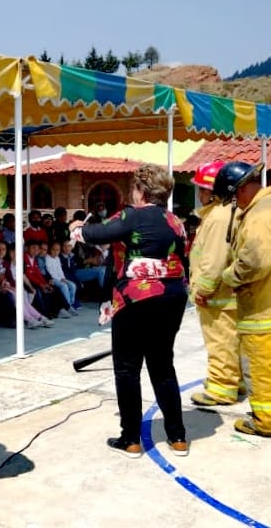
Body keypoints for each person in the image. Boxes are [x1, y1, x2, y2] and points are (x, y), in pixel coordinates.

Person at [72, 163, 191, 458]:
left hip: (137, 299)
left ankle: (131, 439)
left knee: (127, 369)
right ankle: (177, 437)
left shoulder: (132, 215)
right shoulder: (175, 221)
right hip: (173, 298)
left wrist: (77, 228)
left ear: (140, 190)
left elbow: (95, 234)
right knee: (163, 366)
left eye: (133, 188)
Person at [203, 161, 271, 438]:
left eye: (233, 198)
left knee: (263, 366)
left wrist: (229, 277)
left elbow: (255, 261)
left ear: (239, 190)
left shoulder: (257, 215)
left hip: (265, 306)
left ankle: (270, 422)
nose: (235, 204)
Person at [187, 161, 242, 407]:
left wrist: (203, 289)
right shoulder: (222, 213)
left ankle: (222, 389)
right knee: (230, 340)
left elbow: (214, 258)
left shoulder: (219, 217)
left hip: (216, 295)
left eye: (203, 189)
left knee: (220, 342)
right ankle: (233, 380)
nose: (200, 195)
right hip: (224, 294)